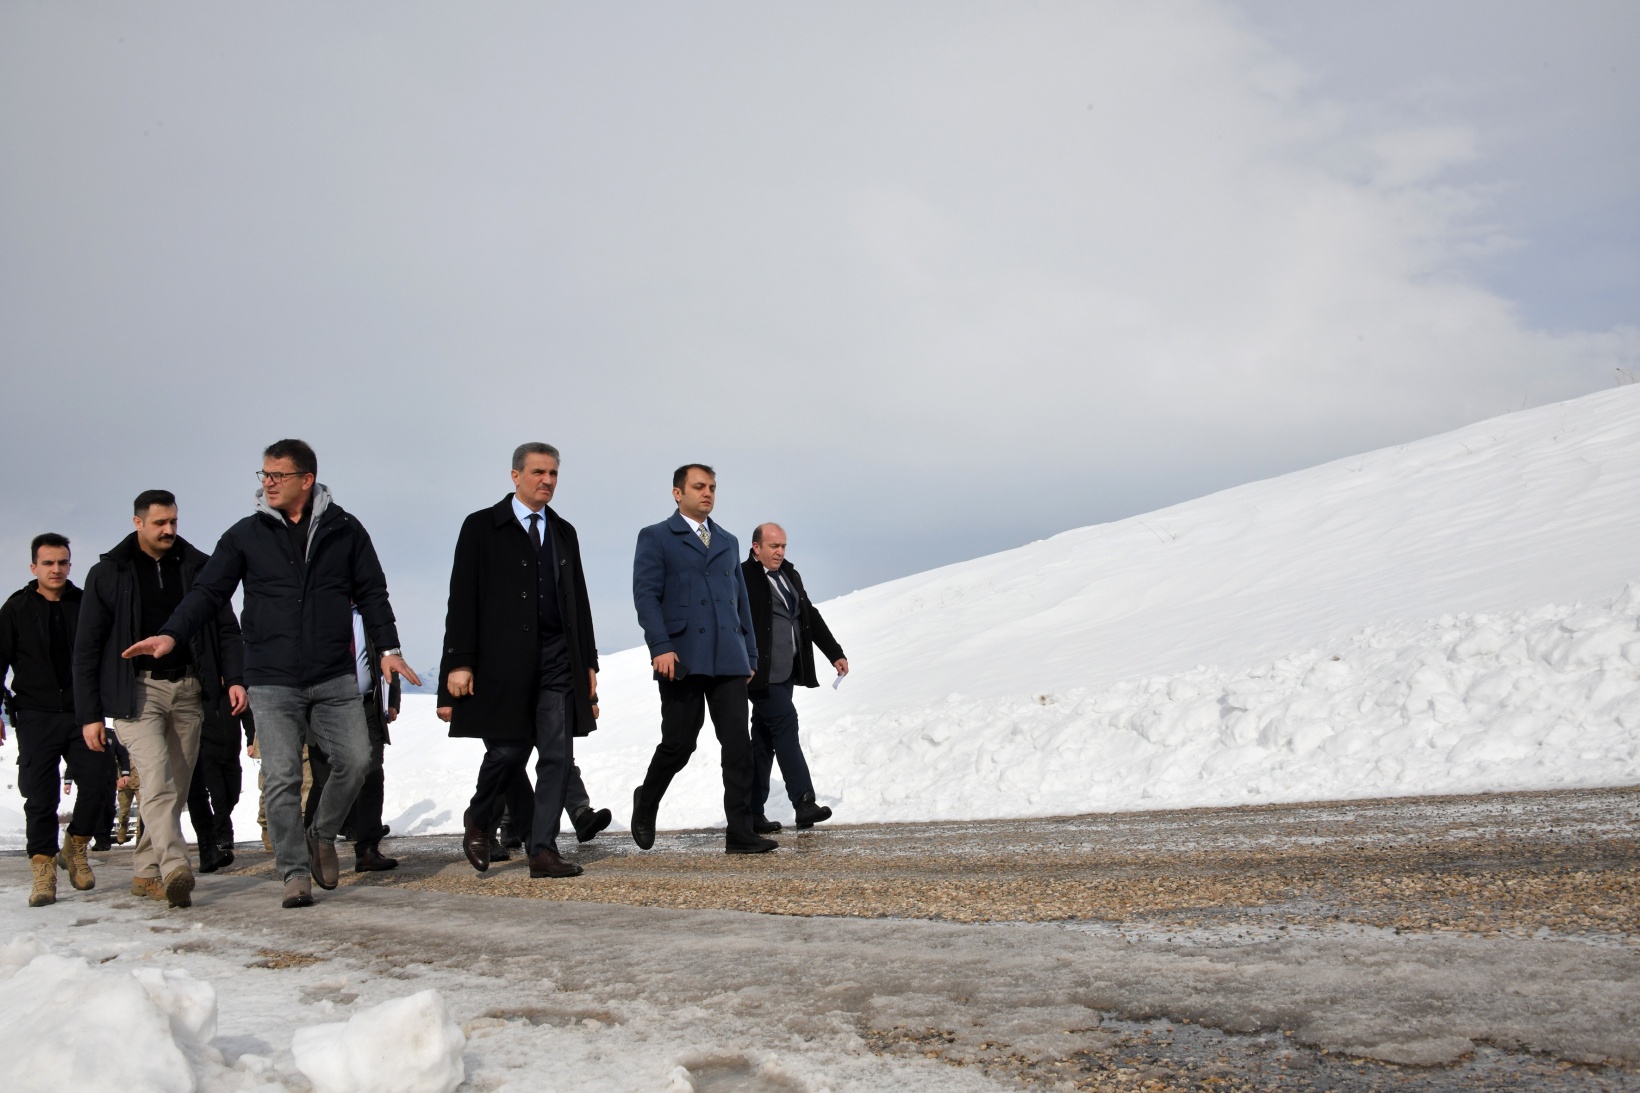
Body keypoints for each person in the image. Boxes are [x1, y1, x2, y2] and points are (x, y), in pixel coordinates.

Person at [121, 439, 419, 909]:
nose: (268, 483)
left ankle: (321, 833)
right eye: (264, 474)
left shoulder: (345, 530)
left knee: (358, 760)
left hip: (333, 675)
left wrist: (389, 649)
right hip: (271, 678)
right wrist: (172, 634)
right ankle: (294, 872)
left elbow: (373, 593)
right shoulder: (246, 534)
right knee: (281, 776)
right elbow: (208, 592)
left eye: (278, 475)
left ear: (306, 479)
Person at [75, 490, 247, 909]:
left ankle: (145, 872)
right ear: (138, 523)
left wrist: (235, 678)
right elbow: (88, 646)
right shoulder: (109, 573)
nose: (169, 530)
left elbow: (226, 626)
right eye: (159, 523)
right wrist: (89, 714)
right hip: (134, 691)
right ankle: (175, 867)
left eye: (173, 521)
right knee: (156, 780)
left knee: (177, 786)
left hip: (188, 688)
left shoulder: (198, 566)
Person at [443, 443, 600, 880]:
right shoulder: (481, 526)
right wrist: (460, 661)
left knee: (556, 754)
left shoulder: (564, 531)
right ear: (515, 476)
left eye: (553, 474)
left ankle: (543, 849)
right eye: (538, 472)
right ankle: (479, 817)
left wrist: (588, 662)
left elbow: (579, 600)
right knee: (509, 750)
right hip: (501, 662)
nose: (547, 480)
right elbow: (462, 598)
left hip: (558, 659)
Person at [630, 464, 774, 854]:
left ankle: (740, 831)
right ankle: (646, 800)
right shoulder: (656, 536)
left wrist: (750, 653)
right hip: (681, 656)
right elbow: (646, 596)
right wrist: (660, 646)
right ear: (678, 493)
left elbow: (740, 601)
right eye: (699, 486)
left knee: (738, 744)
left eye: (711, 487)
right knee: (680, 743)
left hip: (728, 656)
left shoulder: (726, 540)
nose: (707, 493)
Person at [0, 533, 113, 907]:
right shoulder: (15, 608)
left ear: (70, 564)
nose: (56, 569)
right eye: (48, 563)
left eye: (63, 562)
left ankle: (76, 846)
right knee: (40, 795)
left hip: (83, 714)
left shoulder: (85, 604)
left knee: (99, 782)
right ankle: (43, 870)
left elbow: (105, 654)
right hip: (35, 715)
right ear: (34, 567)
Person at [742, 523, 848, 833]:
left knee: (764, 739)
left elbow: (808, 614)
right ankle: (803, 802)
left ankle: (752, 812)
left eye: (783, 546)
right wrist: (742, 662)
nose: (780, 552)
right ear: (756, 547)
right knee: (786, 723)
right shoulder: (742, 577)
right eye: (774, 546)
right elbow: (734, 623)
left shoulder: (790, 574)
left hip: (785, 671)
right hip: (758, 673)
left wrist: (834, 653)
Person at [303, 605, 401, 872]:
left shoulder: (370, 614)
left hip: (366, 704)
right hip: (323, 707)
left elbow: (389, 652)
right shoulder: (316, 608)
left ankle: (367, 849)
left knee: (372, 773)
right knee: (325, 778)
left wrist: (392, 698)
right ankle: (312, 847)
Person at [187, 690, 254, 873]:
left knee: (233, 795)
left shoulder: (234, 695)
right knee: (219, 798)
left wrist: (251, 740)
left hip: (231, 754)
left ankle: (217, 827)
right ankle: (225, 837)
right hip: (208, 756)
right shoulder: (202, 696)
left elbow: (247, 716)